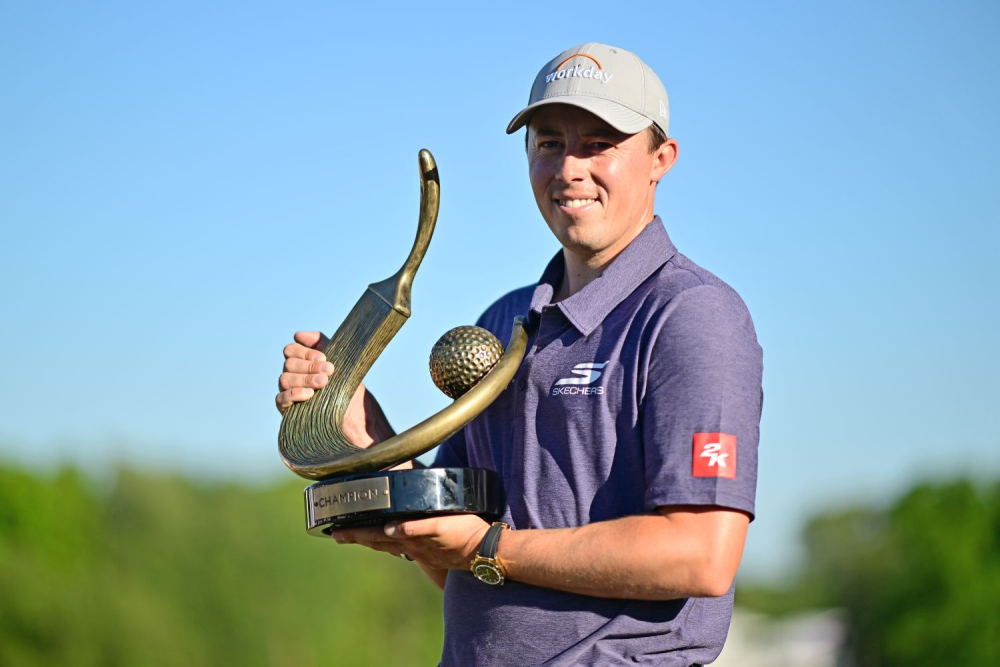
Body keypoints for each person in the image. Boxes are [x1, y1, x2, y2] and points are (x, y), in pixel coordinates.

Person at [276, 43, 763, 666]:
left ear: (660, 159)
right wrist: (365, 434)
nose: (569, 169)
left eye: (599, 144)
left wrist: (487, 548)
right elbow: (459, 566)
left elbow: (700, 555)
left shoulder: (692, 315)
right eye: (549, 143)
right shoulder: (505, 321)